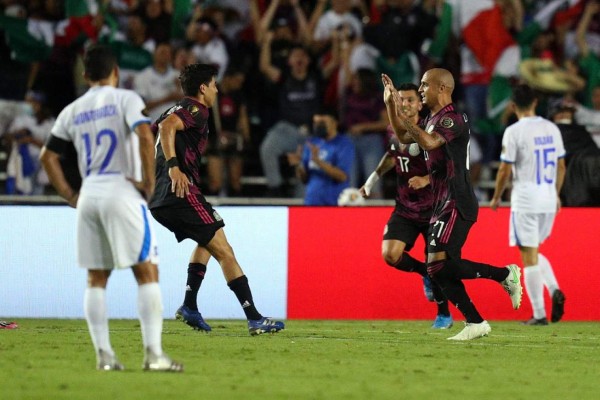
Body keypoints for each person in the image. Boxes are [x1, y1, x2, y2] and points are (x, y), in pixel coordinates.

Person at [39, 44, 182, 372]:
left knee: (96, 278)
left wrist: (70, 195)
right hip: (122, 190)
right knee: (147, 269)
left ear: (86, 76)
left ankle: (104, 356)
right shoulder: (127, 99)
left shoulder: (72, 110)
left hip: (89, 196)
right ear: (116, 73)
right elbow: (146, 135)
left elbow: (48, 157)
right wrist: (148, 182)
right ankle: (154, 355)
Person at [384, 68, 523, 341]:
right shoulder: (433, 118)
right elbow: (403, 137)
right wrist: (391, 103)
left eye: (425, 85)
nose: (421, 89)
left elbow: (428, 141)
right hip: (442, 201)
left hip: (457, 199)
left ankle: (505, 274)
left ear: (442, 88)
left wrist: (402, 114)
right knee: (440, 268)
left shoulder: (451, 119)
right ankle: (475, 322)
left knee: (436, 266)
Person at [148, 63, 285, 336]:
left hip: (161, 196)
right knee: (225, 250)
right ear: (202, 88)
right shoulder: (195, 110)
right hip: (181, 193)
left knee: (208, 241)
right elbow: (165, 128)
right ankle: (254, 318)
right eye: (213, 84)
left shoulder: (174, 108)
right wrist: (174, 166)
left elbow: (161, 128)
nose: (217, 89)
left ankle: (189, 305)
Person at [360, 82, 452, 329]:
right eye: (400, 99)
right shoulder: (395, 129)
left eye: (410, 99)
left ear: (420, 103)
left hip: (433, 209)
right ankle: (423, 273)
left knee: (437, 262)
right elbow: (392, 155)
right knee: (390, 255)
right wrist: (371, 181)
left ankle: (443, 314)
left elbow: (449, 168)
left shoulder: (430, 130)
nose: (405, 104)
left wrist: (426, 179)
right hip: (405, 209)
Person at [490, 84, 566, 325]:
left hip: (525, 200)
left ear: (513, 106)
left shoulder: (514, 132)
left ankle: (540, 314)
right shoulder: (552, 128)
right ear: (535, 102)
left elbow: (504, 168)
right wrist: (556, 194)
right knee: (534, 251)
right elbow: (561, 165)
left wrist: (496, 196)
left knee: (528, 257)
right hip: (547, 200)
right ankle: (553, 289)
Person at [286, 109, 354, 205]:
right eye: (316, 122)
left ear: (334, 123)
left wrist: (318, 161)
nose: (318, 126)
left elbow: (342, 177)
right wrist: (297, 164)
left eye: (322, 122)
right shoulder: (311, 142)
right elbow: (304, 179)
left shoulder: (344, 144)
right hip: (312, 201)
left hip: (334, 203)